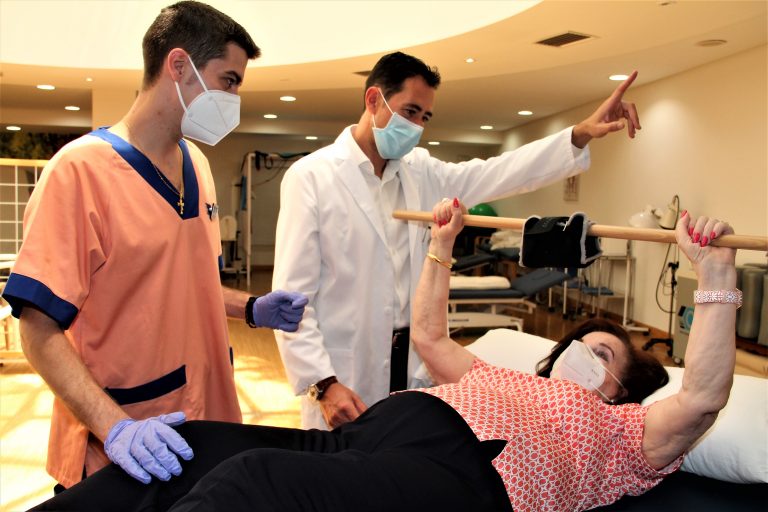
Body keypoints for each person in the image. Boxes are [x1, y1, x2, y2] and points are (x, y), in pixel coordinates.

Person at [29, 200, 740, 512]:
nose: (582, 351)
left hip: (469, 475)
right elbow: (429, 338)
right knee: (188, 454)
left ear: (622, 388)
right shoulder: (504, 375)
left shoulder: (622, 434)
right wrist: (441, 246)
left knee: (253, 485)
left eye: (602, 352)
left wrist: (715, 277)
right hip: (377, 434)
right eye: (579, 343)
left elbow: (704, 397)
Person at [1, 1, 307, 491]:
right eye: (229, 81)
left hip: (209, 423)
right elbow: (37, 329)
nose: (234, 98)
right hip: (125, 438)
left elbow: (188, 284)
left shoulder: (199, 167)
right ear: (179, 65)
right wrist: (115, 428)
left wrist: (251, 308)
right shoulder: (80, 172)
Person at [272, 50, 643, 430]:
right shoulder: (312, 177)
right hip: (344, 372)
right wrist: (322, 383)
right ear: (373, 100)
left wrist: (580, 134)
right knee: (341, 464)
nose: (416, 126)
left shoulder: (422, 172)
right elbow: (291, 298)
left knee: (405, 459)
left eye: (424, 117)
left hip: (413, 363)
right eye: (410, 111)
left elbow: (499, 172)